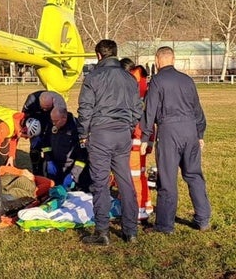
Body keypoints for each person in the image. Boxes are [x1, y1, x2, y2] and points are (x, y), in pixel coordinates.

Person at [77, 39, 142, 245]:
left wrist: (83, 133)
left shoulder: (93, 76)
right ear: (115, 53)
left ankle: (102, 231)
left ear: (98, 55)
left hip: (100, 133)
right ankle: (130, 230)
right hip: (122, 133)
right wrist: (128, 126)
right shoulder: (129, 78)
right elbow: (137, 109)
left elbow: (85, 108)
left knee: (100, 182)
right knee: (125, 181)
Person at [139, 46, 211, 234]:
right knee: (194, 175)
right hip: (190, 129)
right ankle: (203, 219)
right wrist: (199, 134)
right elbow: (197, 110)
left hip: (169, 131)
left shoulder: (157, 81)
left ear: (157, 60)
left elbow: (150, 110)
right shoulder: (187, 80)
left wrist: (146, 137)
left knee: (167, 179)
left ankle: (164, 225)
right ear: (174, 59)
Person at [120, 58, 154, 220]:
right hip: (143, 138)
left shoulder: (131, 87)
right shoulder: (141, 86)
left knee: (133, 176)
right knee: (139, 174)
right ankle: (144, 204)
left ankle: (139, 209)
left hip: (134, 138)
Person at [0, 104, 35, 173]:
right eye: (26, 136)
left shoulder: (19, 120)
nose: (25, 138)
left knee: (8, 158)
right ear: (23, 130)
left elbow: (14, 137)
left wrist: (11, 157)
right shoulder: (5, 128)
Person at [43, 106, 89, 192]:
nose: (53, 124)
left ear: (64, 118)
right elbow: (46, 144)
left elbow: (83, 155)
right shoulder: (52, 123)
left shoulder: (78, 129)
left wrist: (73, 174)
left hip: (71, 168)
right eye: (52, 120)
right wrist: (49, 160)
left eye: (56, 121)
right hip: (55, 167)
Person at [21, 90, 67, 174]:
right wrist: (27, 127)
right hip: (36, 121)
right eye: (42, 107)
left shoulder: (59, 104)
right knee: (35, 148)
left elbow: (61, 124)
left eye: (46, 108)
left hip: (51, 121)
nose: (44, 109)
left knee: (51, 145)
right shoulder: (31, 99)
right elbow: (23, 116)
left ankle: (52, 169)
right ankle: (36, 171)